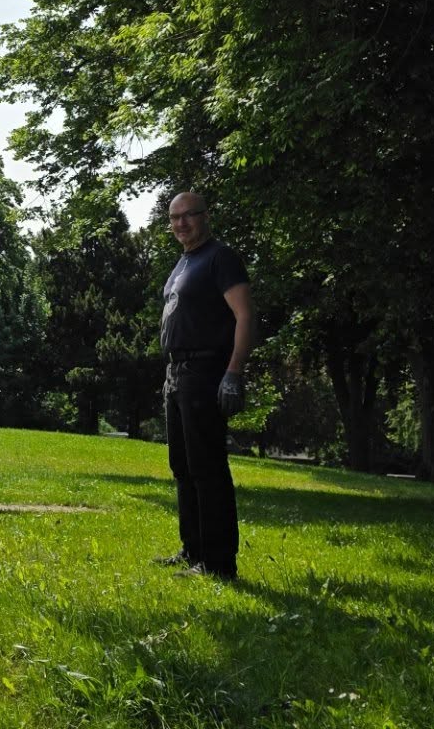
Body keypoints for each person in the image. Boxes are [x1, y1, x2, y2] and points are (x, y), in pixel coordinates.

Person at [157, 191, 253, 580]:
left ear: (205, 216)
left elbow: (245, 315)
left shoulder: (221, 258)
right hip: (177, 374)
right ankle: (192, 549)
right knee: (182, 466)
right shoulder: (183, 262)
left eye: (188, 215)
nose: (181, 223)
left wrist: (233, 373)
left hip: (207, 371)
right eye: (174, 217)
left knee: (207, 468)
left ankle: (217, 563)